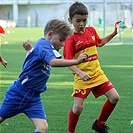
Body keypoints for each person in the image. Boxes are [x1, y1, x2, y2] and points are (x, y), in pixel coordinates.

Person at [0, 19, 88, 133]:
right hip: (20, 93)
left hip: (34, 96)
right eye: (61, 40)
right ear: (50, 34)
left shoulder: (44, 46)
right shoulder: (44, 45)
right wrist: (76, 61)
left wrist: (28, 51)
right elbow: (53, 62)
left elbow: (30, 63)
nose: (63, 44)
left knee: (42, 127)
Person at [63, 2, 121, 133]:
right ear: (70, 20)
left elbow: (100, 43)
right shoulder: (70, 39)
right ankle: (70, 132)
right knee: (78, 108)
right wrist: (80, 73)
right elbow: (68, 61)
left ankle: (99, 125)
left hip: (97, 74)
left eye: (84, 20)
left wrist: (114, 33)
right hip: (82, 78)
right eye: (78, 21)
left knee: (114, 97)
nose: (82, 24)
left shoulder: (91, 31)